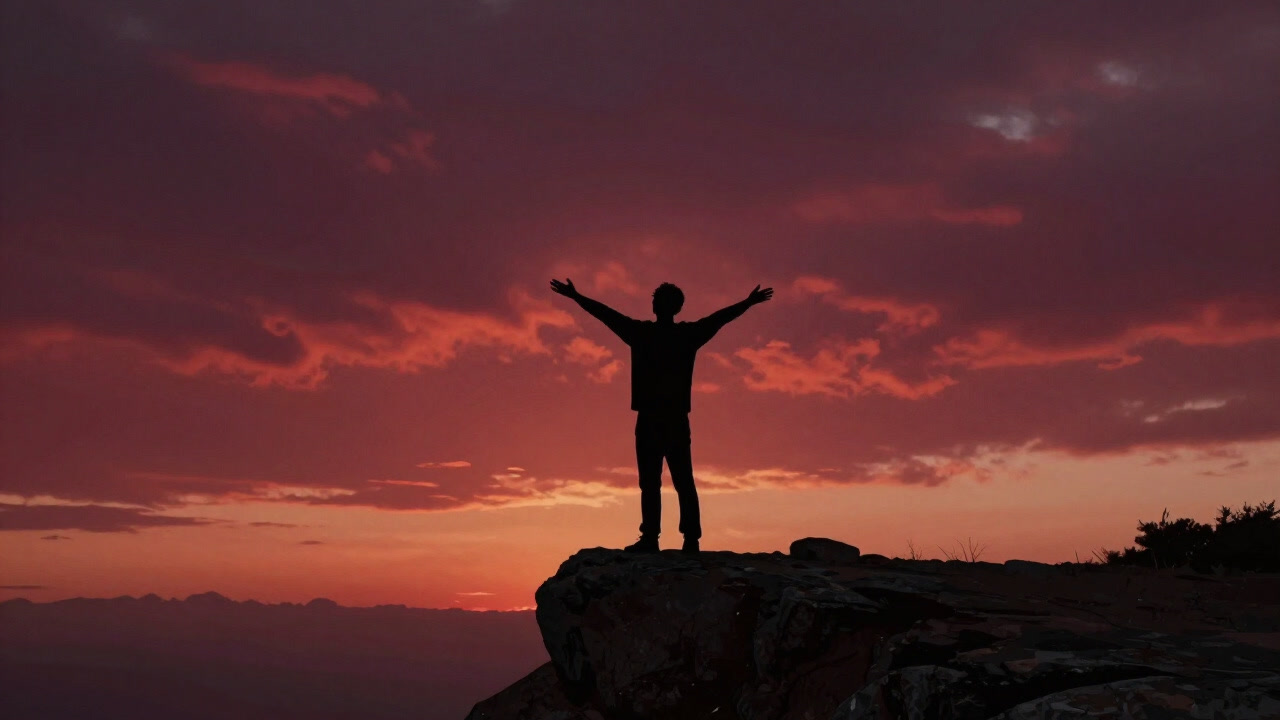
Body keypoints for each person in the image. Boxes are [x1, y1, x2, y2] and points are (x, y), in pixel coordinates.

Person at [549, 277, 773, 554]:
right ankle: (682, 539)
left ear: (663, 306)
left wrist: (576, 297)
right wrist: (747, 303)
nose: (655, 304)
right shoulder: (684, 336)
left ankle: (656, 538)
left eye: (658, 301)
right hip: (670, 419)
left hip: (656, 419)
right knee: (677, 481)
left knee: (658, 482)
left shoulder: (644, 334)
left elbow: (606, 315)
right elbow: (719, 319)